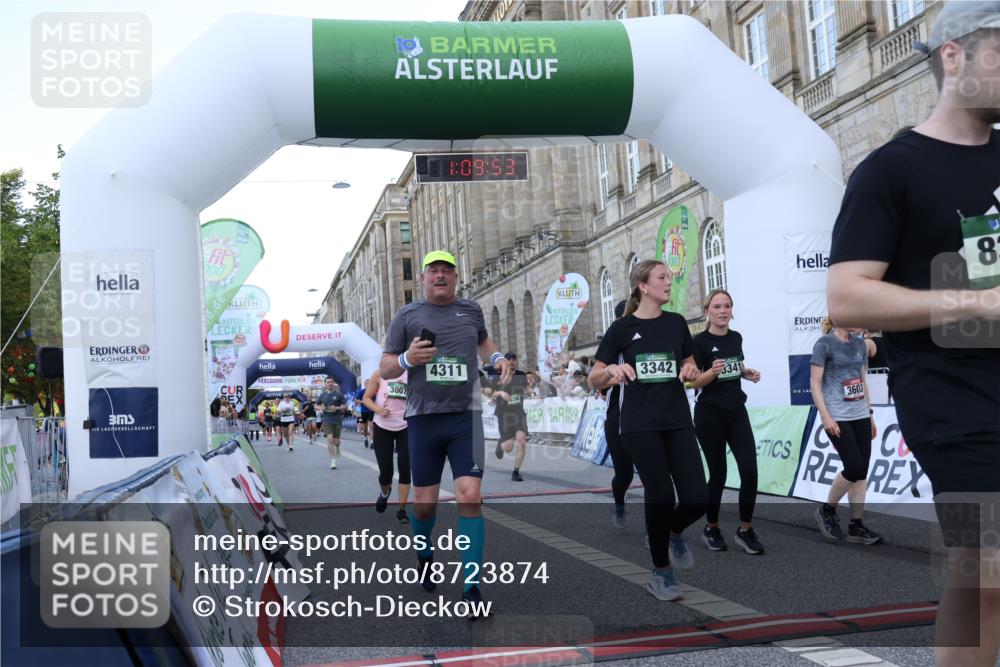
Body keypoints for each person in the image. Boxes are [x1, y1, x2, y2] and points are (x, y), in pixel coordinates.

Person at [827, 4, 1000, 662]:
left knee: (980, 573)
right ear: (953, 55)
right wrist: (973, 304)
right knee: (988, 559)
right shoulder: (890, 171)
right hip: (947, 393)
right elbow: (846, 294)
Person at [381, 249, 512, 616]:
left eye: (447, 271)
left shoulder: (470, 310)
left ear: (455, 277)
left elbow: (484, 341)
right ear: (422, 278)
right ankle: (424, 554)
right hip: (423, 419)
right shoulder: (406, 316)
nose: (440, 276)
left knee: (469, 496)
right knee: (424, 505)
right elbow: (386, 367)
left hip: (465, 417)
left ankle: (472, 587)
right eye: (433, 271)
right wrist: (408, 359)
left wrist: (498, 358)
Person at [588, 260, 706, 602]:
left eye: (669, 276)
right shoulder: (621, 329)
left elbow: (688, 363)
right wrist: (612, 369)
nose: (670, 282)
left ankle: (673, 530)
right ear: (643, 286)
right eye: (663, 277)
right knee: (661, 494)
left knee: (697, 496)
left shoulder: (677, 322)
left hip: (678, 420)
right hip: (639, 425)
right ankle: (661, 572)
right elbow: (594, 378)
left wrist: (689, 368)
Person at [690, 289, 766, 555]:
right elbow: (692, 383)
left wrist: (747, 373)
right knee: (719, 473)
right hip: (709, 413)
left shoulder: (736, 337)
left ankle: (745, 530)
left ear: (732, 311)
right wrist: (711, 372)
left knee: (750, 470)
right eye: (717, 306)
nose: (723, 311)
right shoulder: (698, 342)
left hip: (736, 411)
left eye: (727, 306)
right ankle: (711, 527)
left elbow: (736, 366)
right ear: (707, 310)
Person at [810, 318, 881, 545]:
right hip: (837, 416)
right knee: (854, 467)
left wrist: (869, 414)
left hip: (860, 414)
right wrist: (825, 416)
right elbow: (814, 383)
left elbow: (862, 380)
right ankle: (827, 510)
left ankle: (856, 526)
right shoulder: (824, 344)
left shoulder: (860, 344)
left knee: (862, 473)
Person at [601, 300, 637, 530]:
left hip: (647, 416)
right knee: (624, 473)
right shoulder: (613, 345)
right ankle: (619, 504)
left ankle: (654, 529)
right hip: (617, 417)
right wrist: (618, 375)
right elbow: (598, 384)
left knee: (656, 475)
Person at [363, 369, 412, 523]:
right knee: (386, 474)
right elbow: (366, 398)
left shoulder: (412, 373)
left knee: (405, 469)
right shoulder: (379, 374)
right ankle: (385, 494)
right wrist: (378, 409)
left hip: (406, 425)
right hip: (382, 425)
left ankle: (402, 510)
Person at [487, 352, 530, 482]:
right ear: (504, 361)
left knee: (521, 441)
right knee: (508, 447)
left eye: (513, 359)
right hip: (504, 414)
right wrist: (500, 392)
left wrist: (529, 390)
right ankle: (501, 444)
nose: (511, 361)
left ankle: (516, 472)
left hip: (519, 413)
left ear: (516, 362)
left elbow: (526, 388)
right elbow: (490, 393)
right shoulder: (497, 376)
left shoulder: (521, 375)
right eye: (508, 359)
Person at [317, 378, 348, 469]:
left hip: (337, 420)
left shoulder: (338, 394)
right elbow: (316, 404)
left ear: (334, 383)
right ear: (325, 384)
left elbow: (346, 406)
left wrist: (337, 408)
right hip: (327, 420)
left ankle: (337, 446)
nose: (330, 384)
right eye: (328, 382)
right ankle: (333, 460)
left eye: (331, 382)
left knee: (336, 441)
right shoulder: (322, 395)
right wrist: (320, 408)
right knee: (330, 439)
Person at [355, 380, 375, 448]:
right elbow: (356, 400)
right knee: (365, 427)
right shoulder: (361, 391)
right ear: (365, 384)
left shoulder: (373, 391)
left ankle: (372, 442)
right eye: (367, 383)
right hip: (363, 411)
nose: (368, 385)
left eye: (369, 383)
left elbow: (376, 400)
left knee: (371, 427)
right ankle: (366, 438)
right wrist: (363, 401)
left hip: (371, 411)